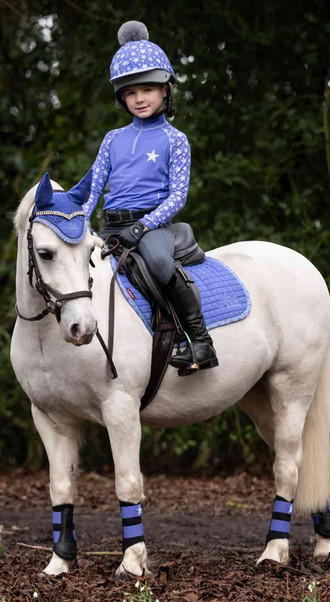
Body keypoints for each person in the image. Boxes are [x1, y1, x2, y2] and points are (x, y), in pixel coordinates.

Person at [83, 21, 218, 375]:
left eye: (147, 89)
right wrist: (80, 219)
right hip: (112, 226)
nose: (139, 99)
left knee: (159, 265)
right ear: (121, 97)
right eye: (130, 93)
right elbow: (94, 187)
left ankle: (200, 341)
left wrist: (143, 227)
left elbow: (178, 197)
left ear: (166, 90)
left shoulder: (176, 140)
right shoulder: (112, 139)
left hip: (151, 225)